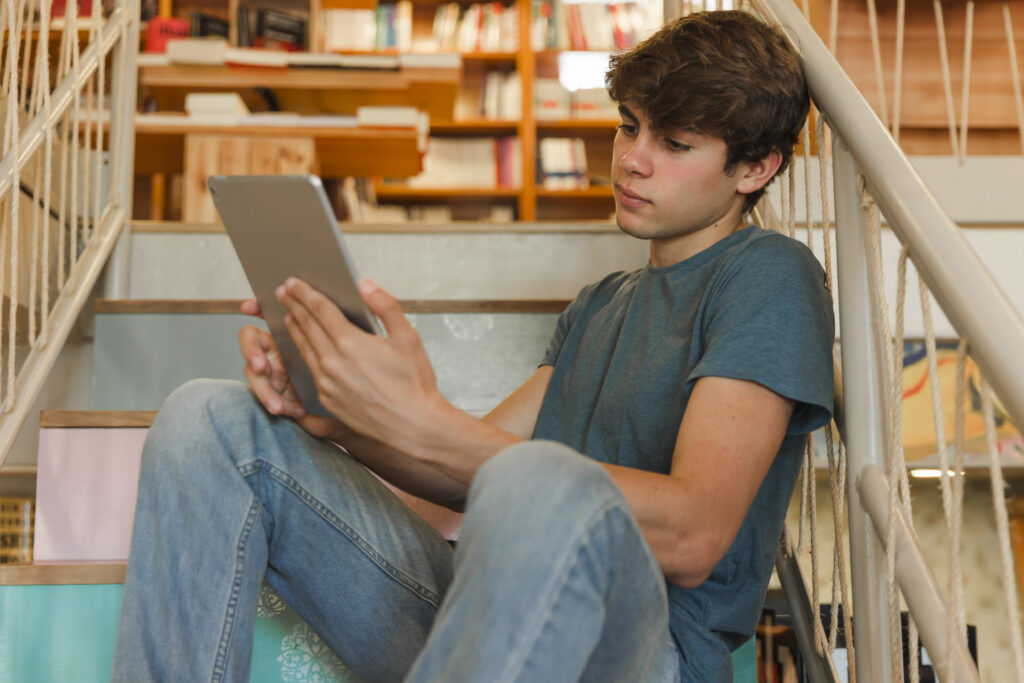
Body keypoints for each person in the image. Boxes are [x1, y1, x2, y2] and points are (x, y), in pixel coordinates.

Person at [112, 9, 834, 682]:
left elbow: (693, 532)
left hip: (643, 650)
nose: (632, 160)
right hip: (484, 617)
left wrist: (426, 418)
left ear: (756, 168)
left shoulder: (769, 275)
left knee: (538, 481)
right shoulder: (601, 305)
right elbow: (462, 480)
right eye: (628, 126)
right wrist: (344, 420)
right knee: (206, 418)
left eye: (674, 144)